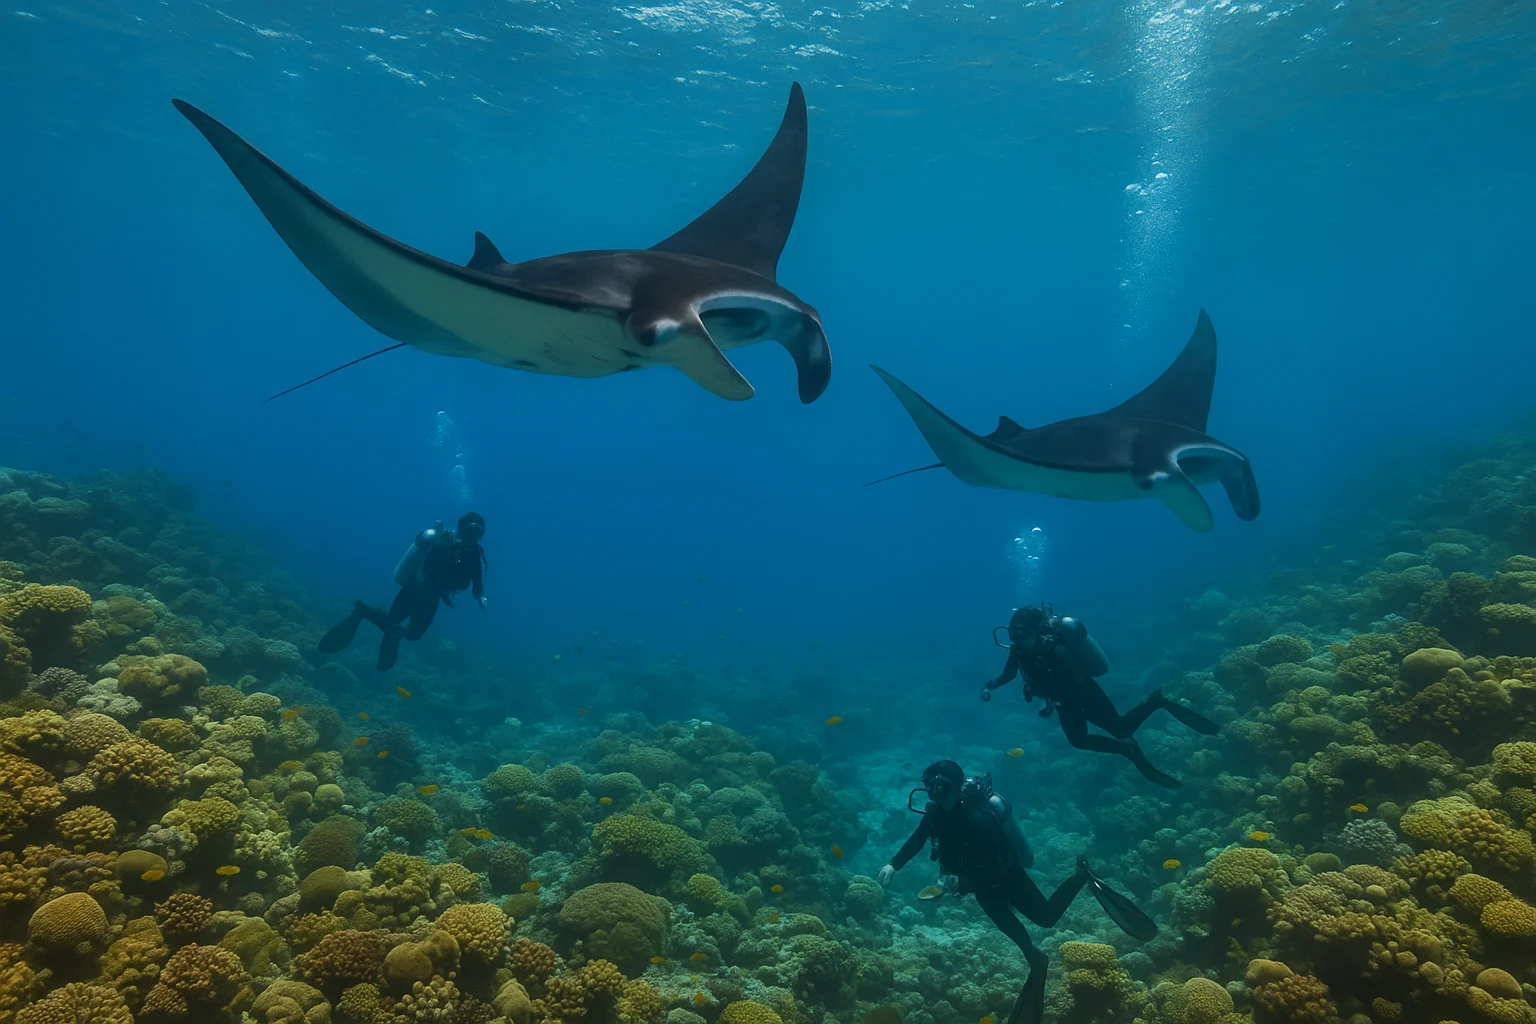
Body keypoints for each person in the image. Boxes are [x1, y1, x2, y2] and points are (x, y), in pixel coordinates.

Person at [877, 761, 1155, 1024]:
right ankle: (1036, 959)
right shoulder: (935, 814)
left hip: (1007, 878)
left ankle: (1081, 876)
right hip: (983, 889)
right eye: (930, 786)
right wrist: (894, 864)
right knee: (1018, 937)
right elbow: (917, 839)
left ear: (954, 788)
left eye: (940, 787)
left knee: (1046, 919)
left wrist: (957, 884)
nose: (934, 793)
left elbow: (990, 863)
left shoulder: (978, 819)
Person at [981, 605, 1218, 788]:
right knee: (1082, 740)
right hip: (1064, 701)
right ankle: (1126, 748)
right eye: (1013, 634)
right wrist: (990, 686)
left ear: (1034, 631)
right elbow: (1010, 674)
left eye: (1021, 633)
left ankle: (1155, 703)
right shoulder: (1019, 650)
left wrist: (1054, 703)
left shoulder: (1058, 652)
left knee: (1120, 730)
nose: (1016, 639)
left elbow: (1068, 683)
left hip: (1084, 694)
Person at [319, 513, 488, 672]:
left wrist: (479, 596)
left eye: (478, 532)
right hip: (413, 591)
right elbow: (427, 569)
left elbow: (476, 579)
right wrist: (437, 588)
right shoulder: (443, 544)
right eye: (470, 530)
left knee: (413, 635)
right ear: (461, 529)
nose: (473, 536)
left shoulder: (475, 555)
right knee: (391, 625)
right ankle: (363, 612)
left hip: (432, 599)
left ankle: (385, 626)